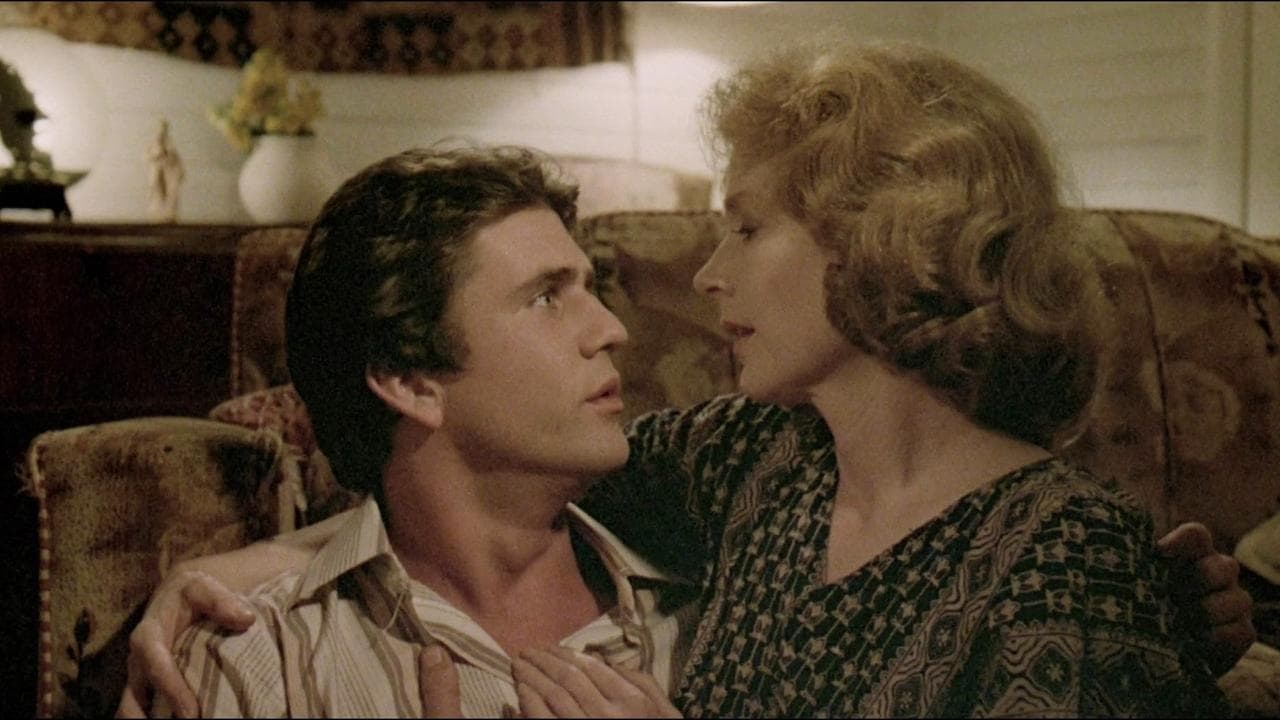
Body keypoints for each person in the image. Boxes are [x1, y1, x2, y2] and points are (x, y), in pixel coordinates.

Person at [120, 42, 1256, 719]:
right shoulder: (755, 464)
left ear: (877, 243)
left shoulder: (1069, 558)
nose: (700, 280)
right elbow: (463, 488)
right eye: (548, 296)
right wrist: (247, 563)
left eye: (745, 228)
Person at [148, 144, 696, 717]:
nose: (611, 330)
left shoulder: (709, 625)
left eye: (591, 289)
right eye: (545, 298)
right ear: (411, 383)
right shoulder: (258, 656)